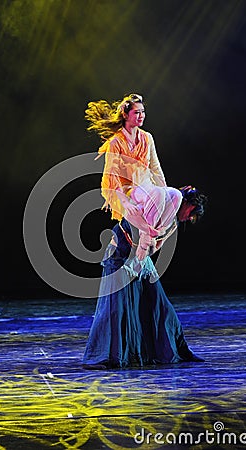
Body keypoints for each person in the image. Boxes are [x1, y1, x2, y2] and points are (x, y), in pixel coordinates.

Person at [82, 187, 207, 369]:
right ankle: (100, 357)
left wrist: (142, 259)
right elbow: (144, 232)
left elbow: (156, 244)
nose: (189, 218)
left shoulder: (173, 222)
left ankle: (176, 351)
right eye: (191, 213)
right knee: (115, 308)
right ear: (188, 203)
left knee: (160, 305)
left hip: (140, 257)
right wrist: (137, 259)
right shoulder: (165, 201)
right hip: (122, 251)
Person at [85, 93, 182, 261]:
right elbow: (112, 175)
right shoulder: (117, 142)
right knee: (157, 195)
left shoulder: (147, 138)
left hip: (147, 187)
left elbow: (155, 167)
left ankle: (153, 234)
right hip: (129, 191)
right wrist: (124, 202)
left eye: (142, 112)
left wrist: (165, 189)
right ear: (125, 114)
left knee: (176, 195)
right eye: (137, 112)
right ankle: (145, 239)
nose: (141, 116)